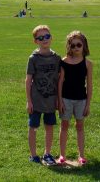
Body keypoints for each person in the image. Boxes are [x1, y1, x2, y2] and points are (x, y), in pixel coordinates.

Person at [26, 25, 61, 165]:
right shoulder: (33, 58)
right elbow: (28, 81)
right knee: (33, 127)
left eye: (47, 36)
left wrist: (58, 99)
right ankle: (33, 155)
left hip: (51, 100)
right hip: (36, 100)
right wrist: (29, 101)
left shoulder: (56, 58)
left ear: (51, 38)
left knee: (49, 127)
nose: (44, 39)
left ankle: (47, 153)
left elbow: (59, 80)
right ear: (36, 41)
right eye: (40, 38)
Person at [58, 31, 93, 166]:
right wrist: (59, 101)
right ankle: (62, 155)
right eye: (73, 45)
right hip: (66, 99)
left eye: (79, 44)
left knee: (80, 126)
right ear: (69, 47)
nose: (76, 48)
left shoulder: (87, 64)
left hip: (81, 100)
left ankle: (81, 155)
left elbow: (89, 85)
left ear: (84, 45)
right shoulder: (63, 62)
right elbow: (60, 82)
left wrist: (88, 104)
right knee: (64, 125)